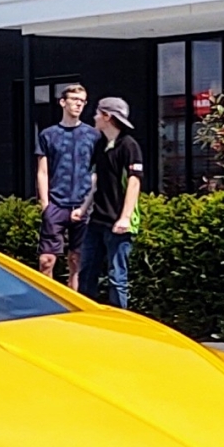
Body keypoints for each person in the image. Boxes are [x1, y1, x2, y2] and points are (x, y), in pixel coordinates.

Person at [82, 94, 144, 306]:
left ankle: (121, 324)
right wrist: (84, 208)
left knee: (117, 277)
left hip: (118, 223)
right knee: (86, 272)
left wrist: (125, 218)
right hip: (97, 220)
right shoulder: (100, 145)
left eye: (98, 113)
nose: (94, 117)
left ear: (107, 116)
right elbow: (97, 179)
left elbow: (134, 183)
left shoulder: (129, 146)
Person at [34, 80, 96, 284]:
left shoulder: (93, 135)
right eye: (75, 100)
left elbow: (97, 170)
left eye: (83, 101)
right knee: (46, 260)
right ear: (63, 102)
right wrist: (45, 204)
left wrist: (90, 200)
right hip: (56, 203)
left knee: (77, 259)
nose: (79, 104)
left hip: (83, 203)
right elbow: (42, 170)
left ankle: (74, 302)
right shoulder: (48, 135)